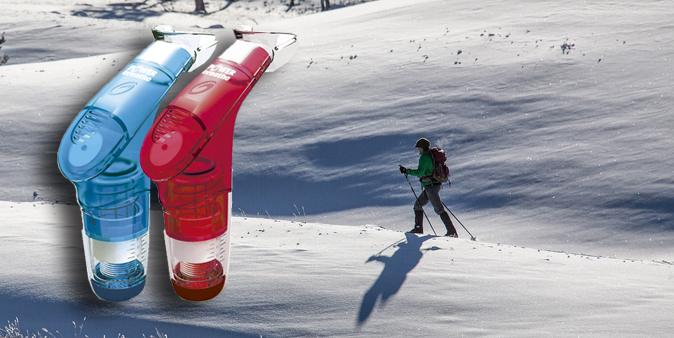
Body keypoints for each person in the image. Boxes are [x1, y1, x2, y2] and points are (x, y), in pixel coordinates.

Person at [399, 138, 458, 237]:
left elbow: (420, 172)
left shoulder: (424, 157)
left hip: (431, 186)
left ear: (422, 147)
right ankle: (418, 229)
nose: (417, 149)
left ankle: (451, 232)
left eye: (418, 147)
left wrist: (407, 171)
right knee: (418, 205)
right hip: (432, 185)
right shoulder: (430, 155)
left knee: (438, 209)